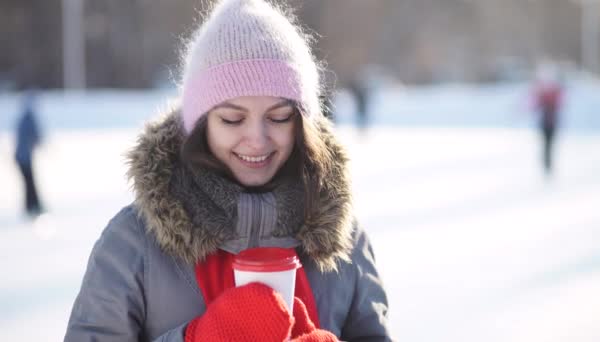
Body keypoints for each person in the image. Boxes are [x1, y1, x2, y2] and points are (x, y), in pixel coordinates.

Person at [64, 0, 391, 341]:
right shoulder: (133, 243)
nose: (257, 139)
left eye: (279, 117)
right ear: (200, 125)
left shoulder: (346, 244)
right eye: (232, 119)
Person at [14, 90, 43, 217]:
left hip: (22, 156)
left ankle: (32, 205)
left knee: (29, 181)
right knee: (30, 181)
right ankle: (33, 206)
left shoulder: (24, 117)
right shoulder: (29, 117)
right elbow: (35, 135)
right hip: (23, 157)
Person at [532, 64, 563, 175]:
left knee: (548, 144)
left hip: (550, 123)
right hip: (546, 123)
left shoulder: (551, 93)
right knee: (547, 144)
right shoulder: (546, 93)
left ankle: (547, 163)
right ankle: (547, 163)